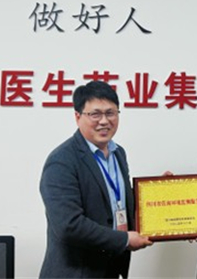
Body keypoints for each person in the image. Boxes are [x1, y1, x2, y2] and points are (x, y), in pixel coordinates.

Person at [39, 81, 152, 278]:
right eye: (95, 114)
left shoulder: (118, 153)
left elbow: (119, 202)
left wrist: (159, 193)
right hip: (76, 273)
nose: (104, 121)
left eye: (110, 113)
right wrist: (124, 240)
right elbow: (69, 225)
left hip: (110, 268)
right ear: (77, 117)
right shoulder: (62, 161)